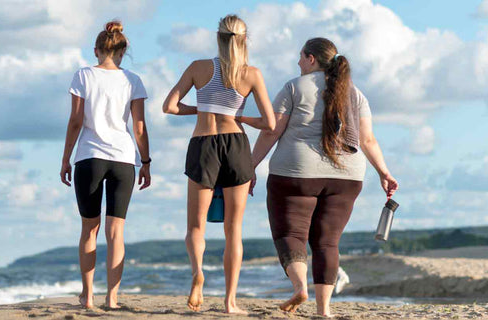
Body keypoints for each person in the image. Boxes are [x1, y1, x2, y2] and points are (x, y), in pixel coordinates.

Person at [249, 37, 399, 317]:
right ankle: (324, 310)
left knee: (290, 234)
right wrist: (384, 172)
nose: (297, 63)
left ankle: (298, 287)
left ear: (311, 59)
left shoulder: (294, 86)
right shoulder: (356, 94)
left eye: (300, 57)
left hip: (295, 173)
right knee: (327, 242)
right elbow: (367, 139)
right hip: (347, 174)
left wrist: (250, 166)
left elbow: (272, 131)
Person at [162, 14, 275, 314]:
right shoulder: (251, 74)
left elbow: (169, 106)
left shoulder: (199, 68)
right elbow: (270, 123)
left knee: (196, 226)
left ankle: (198, 272)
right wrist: (239, 117)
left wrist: (200, 109)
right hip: (236, 143)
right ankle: (230, 302)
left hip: (203, 143)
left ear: (218, 37)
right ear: (244, 39)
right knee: (233, 229)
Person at [60, 20, 152, 310]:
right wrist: (146, 162)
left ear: (96, 50)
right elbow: (139, 127)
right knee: (116, 232)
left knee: (90, 229)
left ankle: (88, 296)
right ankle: (112, 298)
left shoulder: (83, 75)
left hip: (89, 157)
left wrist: (65, 158)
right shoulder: (133, 80)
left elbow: (76, 121)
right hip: (124, 159)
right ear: (123, 51)